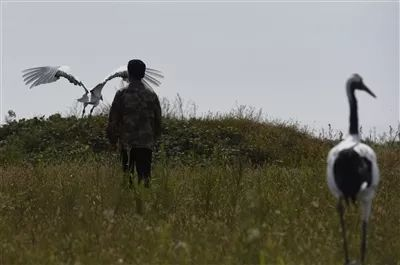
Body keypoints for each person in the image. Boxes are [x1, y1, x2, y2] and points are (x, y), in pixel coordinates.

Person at [106, 59, 162, 188]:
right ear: (143, 75)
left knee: (128, 179)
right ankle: (143, 205)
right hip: (145, 144)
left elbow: (113, 120)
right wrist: (153, 139)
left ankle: (128, 204)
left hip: (127, 144)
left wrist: (112, 141)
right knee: (144, 179)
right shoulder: (151, 95)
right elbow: (158, 122)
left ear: (128, 73)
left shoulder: (122, 94)